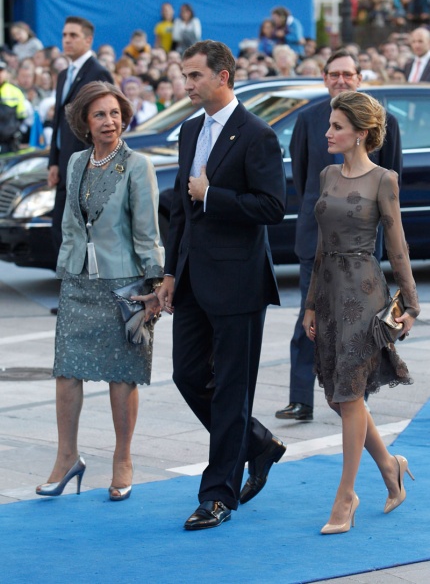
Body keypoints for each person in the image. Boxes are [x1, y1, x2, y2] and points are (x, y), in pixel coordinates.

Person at [157, 40, 287, 530]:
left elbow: (272, 208)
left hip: (238, 282)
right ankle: (257, 444)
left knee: (233, 390)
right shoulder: (190, 130)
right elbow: (180, 214)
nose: (186, 84)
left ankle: (218, 496)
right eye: (184, 76)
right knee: (188, 375)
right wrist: (170, 273)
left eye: (193, 76)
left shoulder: (257, 135)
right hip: (191, 278)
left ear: (223, 76)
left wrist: (214, 195)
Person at [36, 81, 164, 501]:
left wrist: (155, 285)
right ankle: (66, 457)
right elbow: (71, 224)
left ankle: (122, 458)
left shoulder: (138, 164)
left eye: (115, 113)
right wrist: (66, 266)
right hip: (78, 281)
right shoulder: (75, 163)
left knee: (120, 374)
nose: (110, 122)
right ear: (85, 124)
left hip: (123, 284)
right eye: (100, 115)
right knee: (66, 372)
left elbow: (148, 232)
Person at [303, 91, 419, 534]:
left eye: (337, 126)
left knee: (350, 395)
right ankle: (390, 465)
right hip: (330, 294)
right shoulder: (328, 174)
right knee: (340, 396)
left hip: (364, 294)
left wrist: (411, 303)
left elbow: (397, 245)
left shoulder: (383, 180)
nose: (328, 132)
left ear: (361, 134)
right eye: (330, 124)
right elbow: (319, 245)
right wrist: (310, 303)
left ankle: (346, 496)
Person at [275, 49, 403, 423]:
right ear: (325, 78)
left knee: (360, 322)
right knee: (308, 317)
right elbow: (302, 179)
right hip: (315, 240)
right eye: (334, 74)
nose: (341, 80)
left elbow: (390, 179)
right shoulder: (308, 119)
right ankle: (301, 398)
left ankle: (358, 391)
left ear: (360, 78)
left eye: (348, 74)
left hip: (362, 245)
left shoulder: (385, 123)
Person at [47, 16, 114, 258]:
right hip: (65, 163)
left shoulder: (98, 73)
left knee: (84, 230)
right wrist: (53, 162)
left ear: (88, 39)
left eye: (73, 35)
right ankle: (69, 283)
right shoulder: (64, 75)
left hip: (87, 166)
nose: (67, 40)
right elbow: (57, 123)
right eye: (64, 35)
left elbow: (107, 125)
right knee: (60, 228)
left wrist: (98, 164)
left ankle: (87, 286)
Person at [0, 60, 28, 153]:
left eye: (1, 71)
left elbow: (22, 117)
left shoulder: (15, 92)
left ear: (6, 73)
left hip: (9, 142)